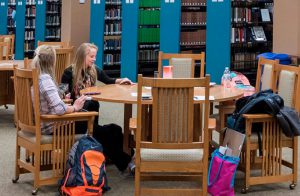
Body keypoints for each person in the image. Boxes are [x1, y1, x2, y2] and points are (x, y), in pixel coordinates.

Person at [61, 43, 135, 174]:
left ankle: (110, 155)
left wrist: (121, 80)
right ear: (82, 56)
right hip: (75, 117)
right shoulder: (69, 73)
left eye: (95, 56)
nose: (94, 59)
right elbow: (62, 96)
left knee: (115, 129)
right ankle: (126, 161)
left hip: (88, 117)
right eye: (91, 56)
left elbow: (108, 80)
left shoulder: (93, 70)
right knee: (106, 133)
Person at [32, 45, 87, 135]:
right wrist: (75, 107)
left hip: (41, 124)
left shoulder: (34, 77)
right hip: (51, 127)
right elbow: (59, 109)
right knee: (111, 130)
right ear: (53, 62)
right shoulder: (45, 80)